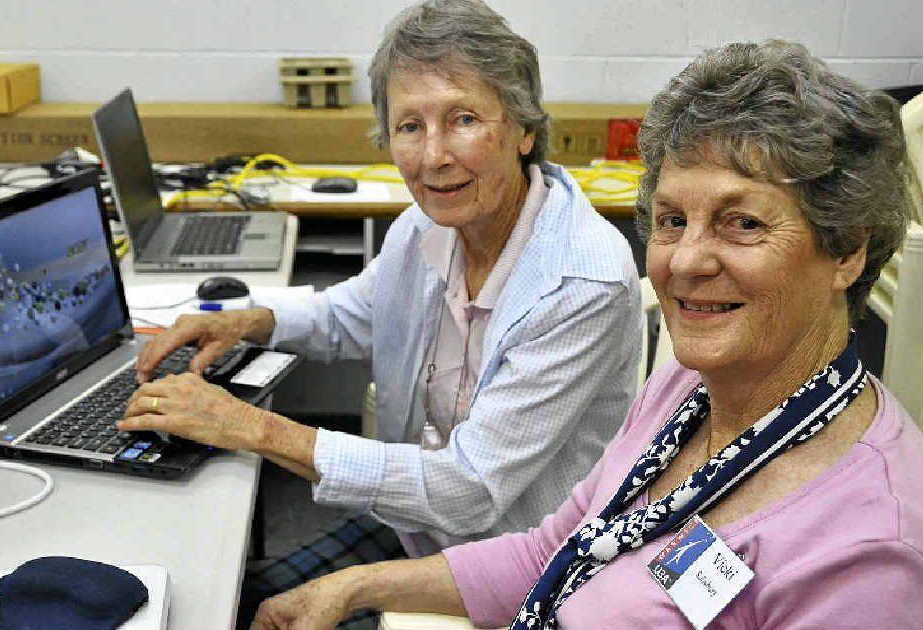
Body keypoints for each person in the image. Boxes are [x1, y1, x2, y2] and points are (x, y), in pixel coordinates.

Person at [250, 39, 923, 630]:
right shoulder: (687, 389)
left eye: (742, 223)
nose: (686, 262)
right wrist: (352, 589)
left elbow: (479, 495)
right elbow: (556, 549)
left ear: (847, 253)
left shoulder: (867, 556)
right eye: (670, 221)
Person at [118, 0, 641, 625]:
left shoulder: (581, 281)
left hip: (514, 580)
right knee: (209, 603)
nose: (433, 157)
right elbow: (356, 313)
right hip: (418, 533)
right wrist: (248, 318)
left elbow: (468, 490)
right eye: (410, 126)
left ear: (524, 129)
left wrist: (252, 429)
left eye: (464, 119)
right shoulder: (431, 225)